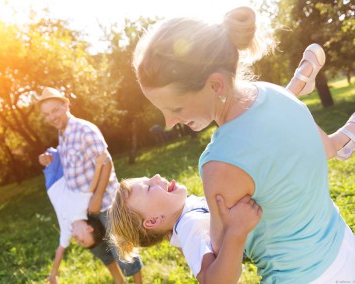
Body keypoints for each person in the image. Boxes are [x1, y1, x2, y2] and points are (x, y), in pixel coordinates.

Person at [132, 6, 355, 283]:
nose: (169, 121)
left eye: (174, 107)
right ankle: (339, 135)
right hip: (343, 245)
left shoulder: (219, 164)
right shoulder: (274, 94)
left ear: (216, 86)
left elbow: (220, 258)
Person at [35, 87, 143, 284]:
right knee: (100, 250)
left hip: (106, 203)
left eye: (55, 110)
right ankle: (119, 281)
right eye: (47, 114)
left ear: (66, 105)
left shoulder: (85, 129)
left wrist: (96, 197)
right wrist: (49, 158)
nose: (52, 117)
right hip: (84, 208)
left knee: (122, 247)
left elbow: (106, 162)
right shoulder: (63, 134)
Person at [109, 175, 262, 284]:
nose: (156, 177)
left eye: (148, 178)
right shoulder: (189, 226)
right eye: (149, 188)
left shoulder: (183, 212)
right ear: (154, 220)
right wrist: (236, 232)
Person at [41, 147, 107, 284]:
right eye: (83, 241)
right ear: (89, 229)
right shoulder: (82, 208)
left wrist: (53, 275)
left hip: (51, 182)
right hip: (64, 176)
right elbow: (92, 186)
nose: (77, 242)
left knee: (47, 157)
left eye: (80, 244)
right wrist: (99, 164)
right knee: (59, 152)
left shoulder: (67, 230)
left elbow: (60, 251)